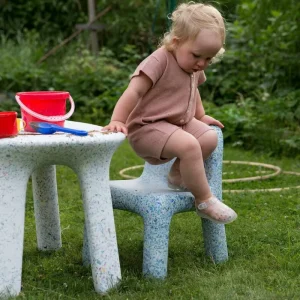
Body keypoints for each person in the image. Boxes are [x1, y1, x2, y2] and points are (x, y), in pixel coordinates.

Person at [103, 1, 237, 224]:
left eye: (209, 59)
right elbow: (134, 90)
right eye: (197, 56)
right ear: (176, 42)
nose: (202, 63)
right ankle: (204, 201)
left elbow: (194, 90)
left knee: (209, 137)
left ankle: (177, 174)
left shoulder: (193, 66)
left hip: (177, 125)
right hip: (147, 128)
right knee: (189, 145)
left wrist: (200, 116)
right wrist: (118, 119)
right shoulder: (159, 60)